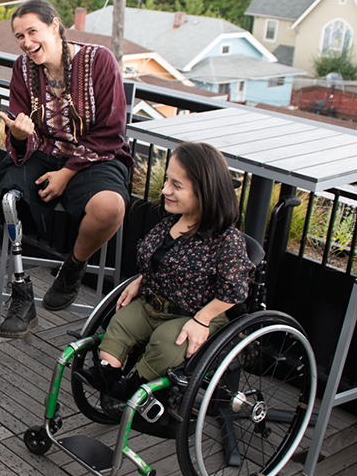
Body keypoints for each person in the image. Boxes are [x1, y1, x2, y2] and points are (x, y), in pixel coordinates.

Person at [74, 142, 254, 433]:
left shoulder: (226, 240)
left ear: (204, 191)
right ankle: (109, 376)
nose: (165, 190)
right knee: (119, 323)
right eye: (167, 181)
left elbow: (234, 290)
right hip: (154, 302)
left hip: (196, 314)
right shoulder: (172, 222)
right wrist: (140, 279)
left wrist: (202, 319)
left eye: (176, 185)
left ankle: (136, 389)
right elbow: (158, 260)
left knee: (166, 341)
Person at [0, 0, 132, 337]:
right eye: (19, 36)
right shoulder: (22, 68)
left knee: (110, 206)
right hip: (43, 151)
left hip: (94, 155)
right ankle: (21, 291)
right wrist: (17, 133)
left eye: (32, 31)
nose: (26, 42)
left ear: (54, 26)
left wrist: (67, 173)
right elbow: (20, 127)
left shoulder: (99, 60)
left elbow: (112, 129)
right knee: (9, 200)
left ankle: (73, 268)